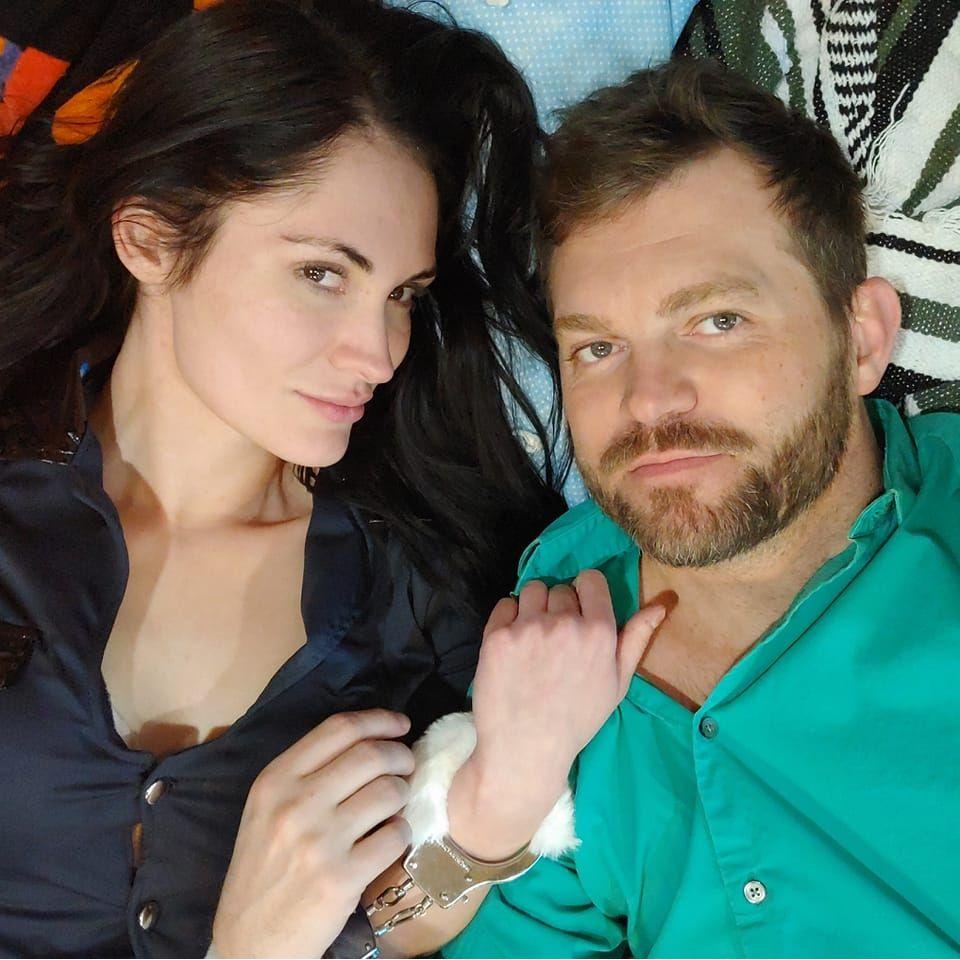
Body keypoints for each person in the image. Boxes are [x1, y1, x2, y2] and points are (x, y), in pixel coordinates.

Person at [0, 1, 573, 956]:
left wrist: (492, 815)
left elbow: (414, 916)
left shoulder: (421, 579)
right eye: (322, 275)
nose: (378, 353)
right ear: (149, 239)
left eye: (402, 296)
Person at [365, 59, 960, 958]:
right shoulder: (555, 621)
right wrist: (499, 797)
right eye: (598, 348)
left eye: (717, 321)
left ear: (862, 338)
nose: (648, 400)